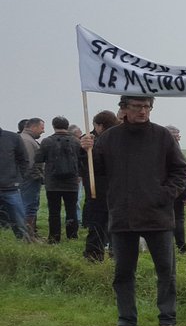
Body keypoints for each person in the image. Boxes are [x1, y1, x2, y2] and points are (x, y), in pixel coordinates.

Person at [80, 95, 186, 326]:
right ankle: (126, 320)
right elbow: (94, 174)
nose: (143, 111)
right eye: (137, 107)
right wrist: (85, 152)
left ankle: (167, 319)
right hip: (122, 215)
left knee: (165, 270)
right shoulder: (108, 139)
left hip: (157, 214)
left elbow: (181, 171)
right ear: (124, 110)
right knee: (123, 272)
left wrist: (165, 194)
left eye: (147, 107)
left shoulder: (162, 136)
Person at [36, 116, 83, 244]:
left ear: (54, 126)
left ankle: (54, 237)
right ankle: (72, 235)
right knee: (71, 210)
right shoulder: (75, 142)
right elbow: (81, 159)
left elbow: (38, 158)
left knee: (54, 211)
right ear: (67, 126)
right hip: (72, 182)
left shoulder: (47, 141)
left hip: (53, 183)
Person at [81, 111, 118, 260]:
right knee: (115, 222)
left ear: (99, 125)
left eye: (95, 125)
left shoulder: (101, 141)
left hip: (100, 189)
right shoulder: (118, 137)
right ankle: (115, 252)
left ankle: (94, 253)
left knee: (97, 223)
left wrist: (86, 152)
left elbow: (91, 166)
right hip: (118, 188)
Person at [0, 122, 30, 241]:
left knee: (19, 224)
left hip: (10, 188)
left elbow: (24, 160)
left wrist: (18, 178)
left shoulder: (13, 138)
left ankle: (24, 249)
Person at [165, 125, 186, 254]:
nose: (179, 136)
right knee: (178, 219)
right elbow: (184, 174)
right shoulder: (176, 150)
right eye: (177, 133)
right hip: (176, 190)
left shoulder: (160, 148)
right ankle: (181, 248)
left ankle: (169, 247)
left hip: (165, 190)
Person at [19, 117, 44, 238]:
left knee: (31, 206)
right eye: (41, 128)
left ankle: (30, 234)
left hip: (29, 178)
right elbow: (29, 163)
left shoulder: (26, 139)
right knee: (29, 206)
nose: (43, 131)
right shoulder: (27, 141)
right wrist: (37, 175)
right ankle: (28, 235)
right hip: (30, 179)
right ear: (33, 127)